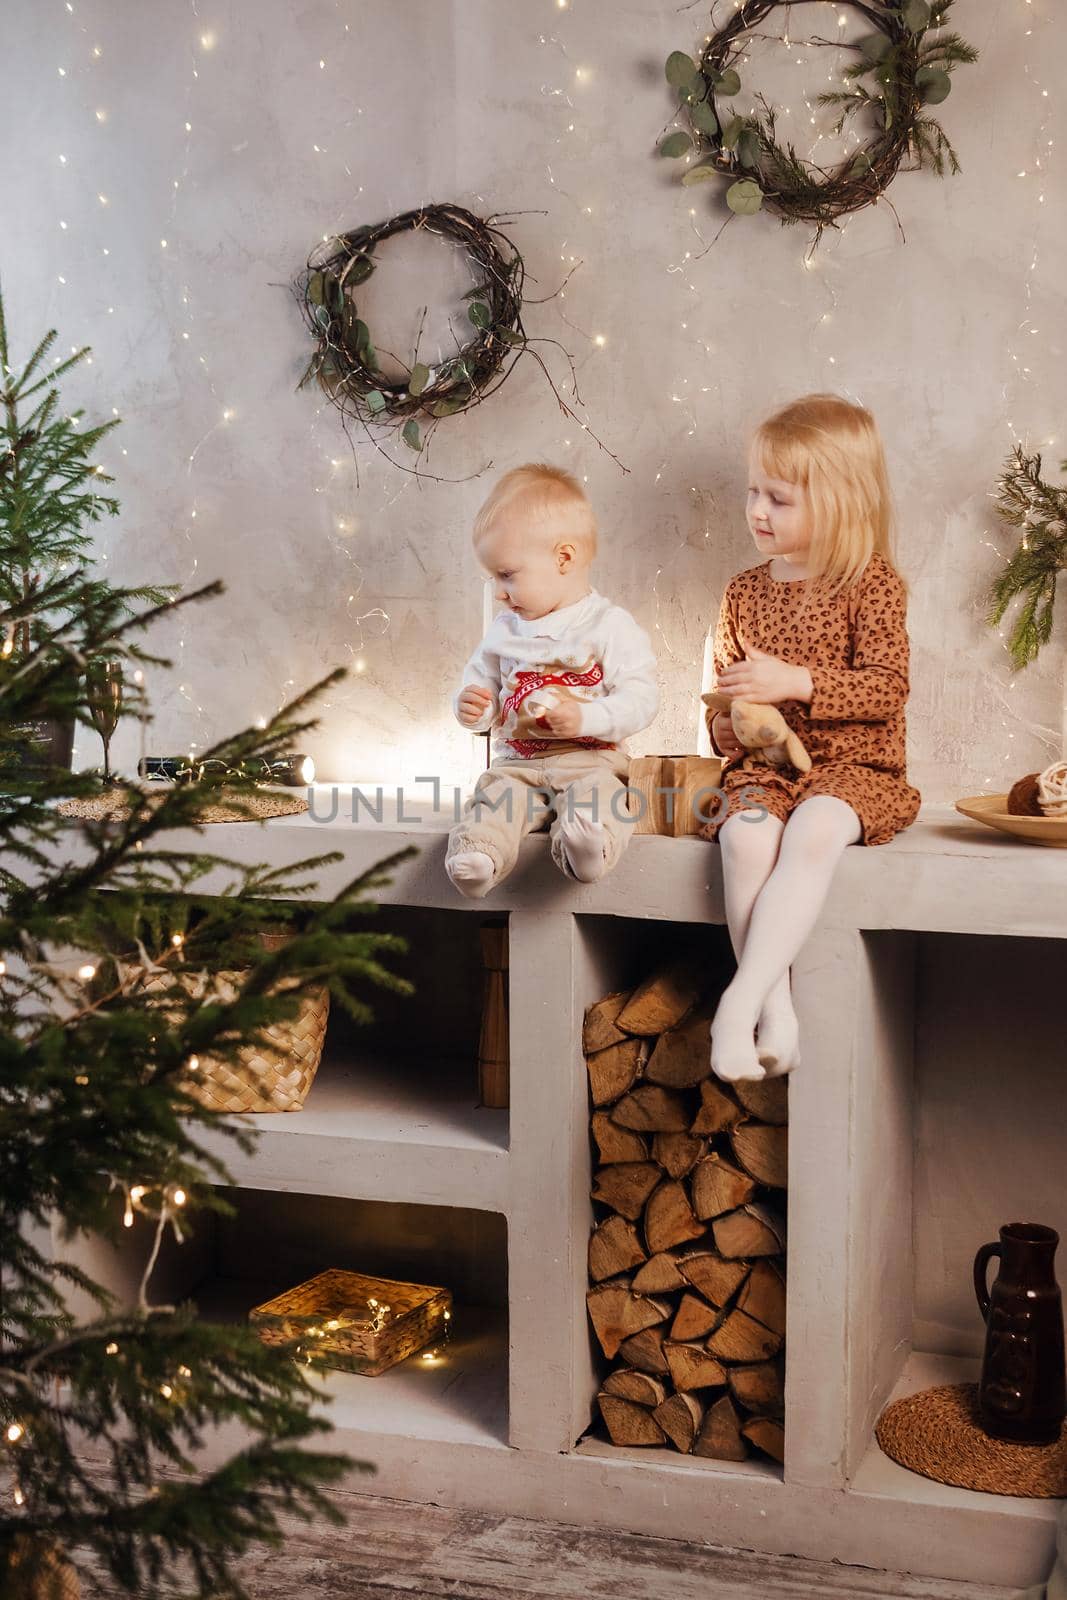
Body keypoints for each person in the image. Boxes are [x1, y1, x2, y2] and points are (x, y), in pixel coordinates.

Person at [704, 394, 921, 1084]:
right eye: (752, 493)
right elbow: (719, 714)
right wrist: (728, 720)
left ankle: (735, 1003)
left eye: (778, 498)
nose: (756, 511)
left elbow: (888, 687)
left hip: (856, 770)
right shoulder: (741, 592)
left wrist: (795, 681)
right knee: (742, 836)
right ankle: (777, 1008)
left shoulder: (871, 584)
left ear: (838, 501)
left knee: (817, 829)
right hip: (767, 769)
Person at [446, 463, 658, 898]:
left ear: (563, 558)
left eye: (507, 575)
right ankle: (480, 856)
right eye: (493, 578)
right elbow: (482, 682)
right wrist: (475, 708)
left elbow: (642, 698)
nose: (499, 592)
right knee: (493, 800)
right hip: (517, 767)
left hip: (589, 762)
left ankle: (587, 849)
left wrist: (587, 717)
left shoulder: (608, 625)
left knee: (602, 799)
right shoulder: (504, 631)